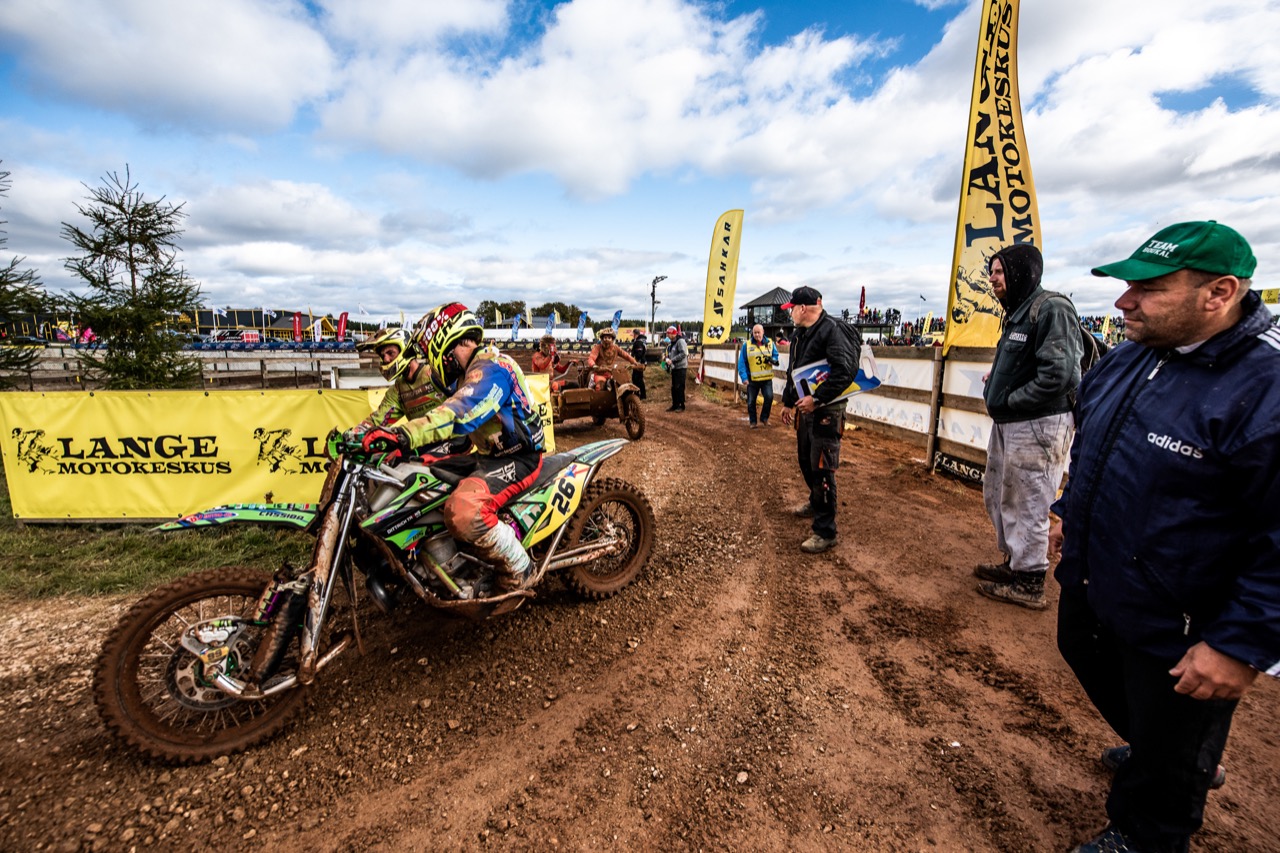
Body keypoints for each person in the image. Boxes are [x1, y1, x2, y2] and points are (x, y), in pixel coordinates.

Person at [1052, 222, 1280, 853]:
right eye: (1128, 285)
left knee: (1176, 728)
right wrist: (1068, 510)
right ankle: (1165, 750)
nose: (1124, 301)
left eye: (1149, 289)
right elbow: (1092, 443)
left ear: (1219, 293)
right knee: (1085, 652)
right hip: (1102, 578)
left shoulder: (1266, 387)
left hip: (1186, 614)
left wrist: (1240, 644)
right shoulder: (1130, 357)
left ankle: (1147, 828)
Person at [353, 303, 546, 593]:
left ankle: (521, 568)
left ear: (444, 341)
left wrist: (403, 435)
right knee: (418, 479)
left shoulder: (492, 367)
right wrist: (354, 436)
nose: (431, 362)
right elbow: (382, 417)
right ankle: (447, 560)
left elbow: (458, 412)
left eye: (430, 351)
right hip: (487, 456)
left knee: (464, 511)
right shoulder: (463, 374)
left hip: (520, 458)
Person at [975, 244, 1083, 610]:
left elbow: (1059, 374)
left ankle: (1030, 581)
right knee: (999, 493)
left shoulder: (1051, 308)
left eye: (999, 271)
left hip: (1037, 424)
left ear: (1021, 271)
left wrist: (1011, 399)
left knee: (1030, 500)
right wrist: (999, 384)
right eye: (991, 272)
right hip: (1012, 423)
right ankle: (1015, 564)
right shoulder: (1018, 312)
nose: (992, 279)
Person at [779, 286, 858, 554]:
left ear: (802, 308)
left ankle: (825, 531)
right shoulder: (799, 335)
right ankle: (816, 502)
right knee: (806, 461)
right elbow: (794, 371)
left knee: (823, 468)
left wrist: (818, 399)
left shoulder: (833, 330)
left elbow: (845, 371)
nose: (790, 314)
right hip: (806, 411)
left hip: (827, 412)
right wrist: (788, 401)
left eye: (791, 309)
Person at [737, 323, 779, 427]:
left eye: (758, 332)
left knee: (769, 398)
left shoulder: (770, 343)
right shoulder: (747, 345)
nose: (756, 335)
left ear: (763, 332)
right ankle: (753, 422)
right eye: (754, 333)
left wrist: (773, 360)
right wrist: (744, 377)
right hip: (752, 379)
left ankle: (764, 418)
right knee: (751, 401)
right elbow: (741, 362)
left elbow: (775, 355)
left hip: (766, 378)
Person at [663, 325, 688, 411]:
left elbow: (684, 353)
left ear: (673, 334)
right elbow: (671, 353)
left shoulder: (680, 341)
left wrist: (672, 360)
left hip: (681, 368)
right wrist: (666, 358)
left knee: (679, 387)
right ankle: (675, 404)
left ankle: (681, 405)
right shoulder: (672, 343)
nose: (667, 335)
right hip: (674, 368)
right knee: (674, 387)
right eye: (667, 333)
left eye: (669, 333)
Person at [630, 329, 648, 399]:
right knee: (639, 378)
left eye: (633, 334)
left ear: (635, 334)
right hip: (642, 362)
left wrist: (635, 361)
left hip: (638, 363)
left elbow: (639, 353)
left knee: (636, 379)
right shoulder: (643, 341)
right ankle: (642, 395)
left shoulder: (638, 342)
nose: (632, 335)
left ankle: (639, 394)